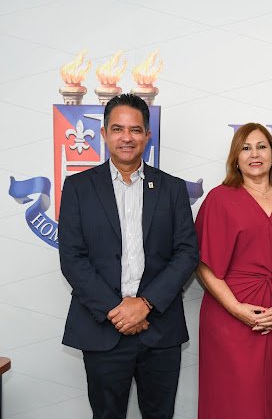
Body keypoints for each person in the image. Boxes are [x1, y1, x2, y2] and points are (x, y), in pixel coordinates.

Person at [58, 93, 199, 418]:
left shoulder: (172, 189)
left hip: (159, 328)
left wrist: (145, 304)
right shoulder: (78, 187)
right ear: (104, 133)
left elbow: (186, 252)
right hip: (102, 328)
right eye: (118, 129)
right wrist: (117, 310)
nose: (127, 137)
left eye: (135, 130)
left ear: (147, 136)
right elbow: (72, 257)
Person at [194, 123, 272, 419]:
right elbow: (203, 263)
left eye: (261, 147)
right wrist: (236, 309)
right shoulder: (219, 198)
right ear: (235, 158)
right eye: (245, 148)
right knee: (232, 400)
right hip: (229, 316)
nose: (254, 154)